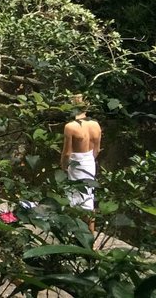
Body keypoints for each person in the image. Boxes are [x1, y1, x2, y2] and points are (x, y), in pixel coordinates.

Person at [61, 98, 102, 229]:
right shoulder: (96, 125)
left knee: (75, 200)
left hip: (76, 162)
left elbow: (67, 152)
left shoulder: (70, 126)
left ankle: (75, 235)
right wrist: (89, 159)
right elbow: (97, 149)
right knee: (88, 199)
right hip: (90, 161)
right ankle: (90, 238)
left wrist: (63, 164)